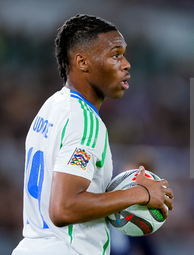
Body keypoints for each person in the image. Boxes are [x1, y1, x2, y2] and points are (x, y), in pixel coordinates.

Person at [12, 14, 174, 255]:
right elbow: (64, 208)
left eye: (124, 54)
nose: (126, 64)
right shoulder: (85, 121)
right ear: (82, 62)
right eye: (115, 54)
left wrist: (122, 191)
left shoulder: (52, 107)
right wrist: (139, 194)